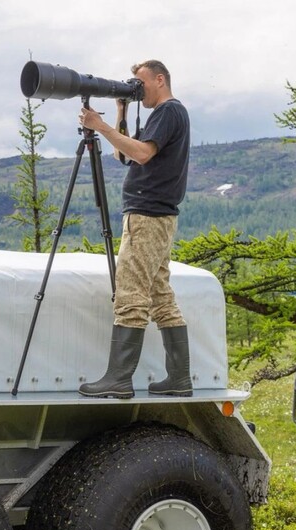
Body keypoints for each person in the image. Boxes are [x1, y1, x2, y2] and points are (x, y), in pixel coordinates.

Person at [76, 59, 191, 398]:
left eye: (140, 84)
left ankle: (119, 378)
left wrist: (97, 126)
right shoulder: (166, 114)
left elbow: (141, 154)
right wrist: (120, 112)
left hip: (147, 217)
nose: (137, 90)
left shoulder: (169, 111)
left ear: (160, 79)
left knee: (130, 294)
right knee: (160, 295)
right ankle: (180, 379)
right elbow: (122, 154)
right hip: (156, 216)